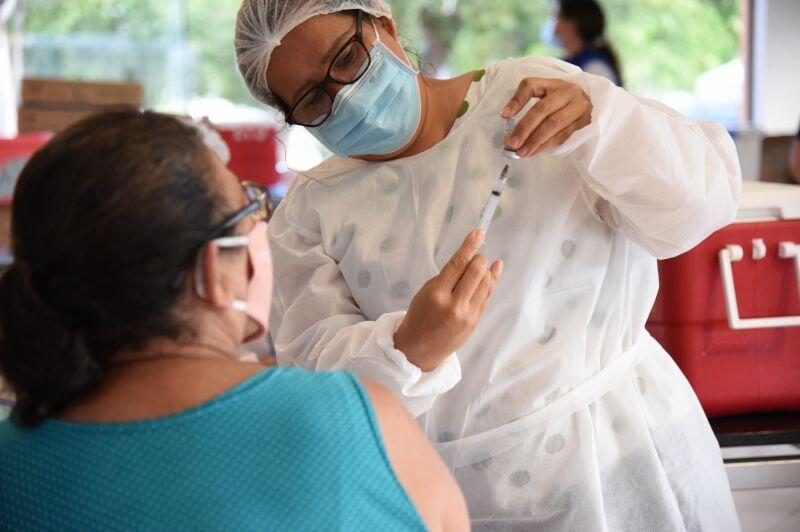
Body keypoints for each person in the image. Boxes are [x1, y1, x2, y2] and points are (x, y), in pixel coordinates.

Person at [235, 1, 742, 530]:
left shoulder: (528, 95)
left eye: (345, 58)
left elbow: (698, 207)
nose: (345, 96)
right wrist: (407, 349)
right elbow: (317, 383)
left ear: (382, 24)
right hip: (464, 500)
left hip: (625, 464)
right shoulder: (312, 211)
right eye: (314, 98)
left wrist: (606, 122)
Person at [0, 109, 471, 531]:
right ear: (213, 268)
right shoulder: (353, 423)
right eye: (249, 207)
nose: (262, 226)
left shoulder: (12, 465)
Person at [545, 0, 623, 86]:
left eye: (557, 17)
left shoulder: (595, 68)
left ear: (572, 25)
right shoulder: (569, 62)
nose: (553, 24)